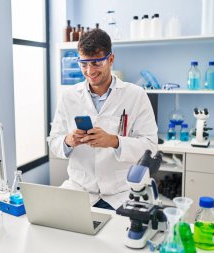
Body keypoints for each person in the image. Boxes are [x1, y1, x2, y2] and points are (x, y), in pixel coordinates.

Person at [48, 29, 158, 210]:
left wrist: (114, 141)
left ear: (111, 59)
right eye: (83, 64)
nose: (89, 71)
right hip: (79, 190)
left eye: (96, 63)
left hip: (121, 194)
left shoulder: (136, 95)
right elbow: (54, 142)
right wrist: (68, 141)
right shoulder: (68, 96)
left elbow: (151, 147)